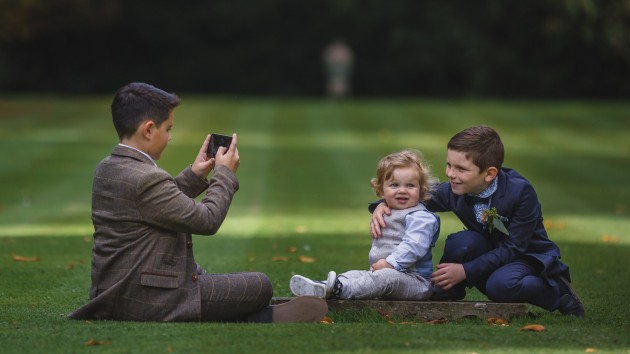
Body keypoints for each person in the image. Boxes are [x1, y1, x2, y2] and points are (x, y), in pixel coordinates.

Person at [68, 82, 327, 323]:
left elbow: (156, 207)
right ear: (148, 129)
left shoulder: (108, 168)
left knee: (206, 277)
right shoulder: (147, 177)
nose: (170, 137)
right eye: (167, 129)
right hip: (148, 297)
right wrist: (224, 175)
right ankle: (252, 316)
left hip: (114, 290)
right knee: (260, 285)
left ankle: (240, 312)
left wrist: (195, 175)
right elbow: (207, 219)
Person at [370, 126, 585, 317]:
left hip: (526, 255)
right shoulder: (455, 189)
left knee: (500, 286)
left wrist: (466, 270)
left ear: (489, 173)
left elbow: (514, 247)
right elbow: (411, 194)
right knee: (461, 242)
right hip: (491, 249)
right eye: (449, 165)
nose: (451, 174)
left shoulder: (520, 193)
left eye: (461, 169)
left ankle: (557, 292)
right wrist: (381, 205)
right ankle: (446, 292)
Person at [290, 150, 440, 300]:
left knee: (386, 278)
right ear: (381, 190)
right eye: (394, 185)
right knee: (353, 274)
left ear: (421, 190)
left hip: (415, 282)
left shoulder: (421, 217)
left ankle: (339, 290)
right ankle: (322, 287)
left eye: (410, 186)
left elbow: (414, 246)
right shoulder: (386, 211)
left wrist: (390, 264)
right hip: (383, 272)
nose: (402, 190)